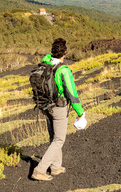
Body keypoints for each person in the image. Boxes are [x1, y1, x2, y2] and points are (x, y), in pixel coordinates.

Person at [31, 38, 85, 181]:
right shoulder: (63, 70)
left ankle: (55, 167)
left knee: (53, 137)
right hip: (58, 107)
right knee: (59, 139)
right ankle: (40, 170)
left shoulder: (45, 63)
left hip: (44, 106)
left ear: (52, 52)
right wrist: (80, 112)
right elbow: (72, 94)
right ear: (65, 52)